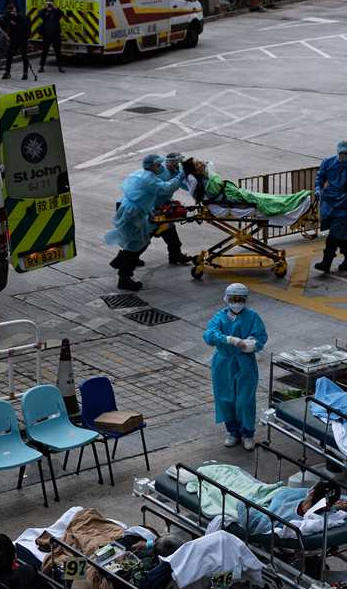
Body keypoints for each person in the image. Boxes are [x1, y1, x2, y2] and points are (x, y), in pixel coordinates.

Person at [104, 154, 188, 290]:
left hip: (138, 210)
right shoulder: (150, 179)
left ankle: (123, 266)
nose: (161, 167)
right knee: (137, 243)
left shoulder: (143, 174)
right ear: (152, 166)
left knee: (140, 241)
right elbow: (166, 188)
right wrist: (180, 176)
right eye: (158, 165)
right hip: (135, 213)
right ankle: (124, 276)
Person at [203, 283, 267, 450]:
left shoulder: (252, 316)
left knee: (245, 400)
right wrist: (229, 339)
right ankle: (233, 432)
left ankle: (247, 433)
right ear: (226, 299)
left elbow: (261, 336)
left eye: (240, 299)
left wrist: (251, 344)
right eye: (233, 299)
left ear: (245, 300)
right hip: (223, 362)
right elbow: (209, 335)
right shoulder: (219, 317)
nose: (237, 303)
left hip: (245, 363)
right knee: (225, 398)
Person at [315, 140, 347, 273]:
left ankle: (326, 262)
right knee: (338, 234)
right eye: (342, 153)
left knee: (333, 236)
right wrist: (318, 188)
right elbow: (320, 177)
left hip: (346, 205)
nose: (345, 156)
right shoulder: (328, 163)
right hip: (330, 202)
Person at [1, 2, 32, 80]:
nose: (11, 12)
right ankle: (7, 72)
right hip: (13, 39)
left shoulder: (22, 17)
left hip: (22, 39)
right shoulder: (8, 16)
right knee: (9, 55)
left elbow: (24, 27)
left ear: (15, 9)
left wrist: (14, 24)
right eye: (9, 10)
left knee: (24, 55)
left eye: (12, 10)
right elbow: (4, 24)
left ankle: (25, 73)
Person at [38, 0, 65, 74]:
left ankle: (60, 67)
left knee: (58, 52)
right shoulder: (44, 10)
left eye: (50, 1)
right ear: (46, 1)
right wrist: (46, 9)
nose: (49, 3)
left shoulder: (55, 10)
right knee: (44, 52)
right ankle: (41, 67)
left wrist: (54, 8)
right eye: (48, 1)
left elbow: (61, 14)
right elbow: (40, 14)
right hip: (46, 35)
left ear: (53, 1)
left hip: (56, 34)